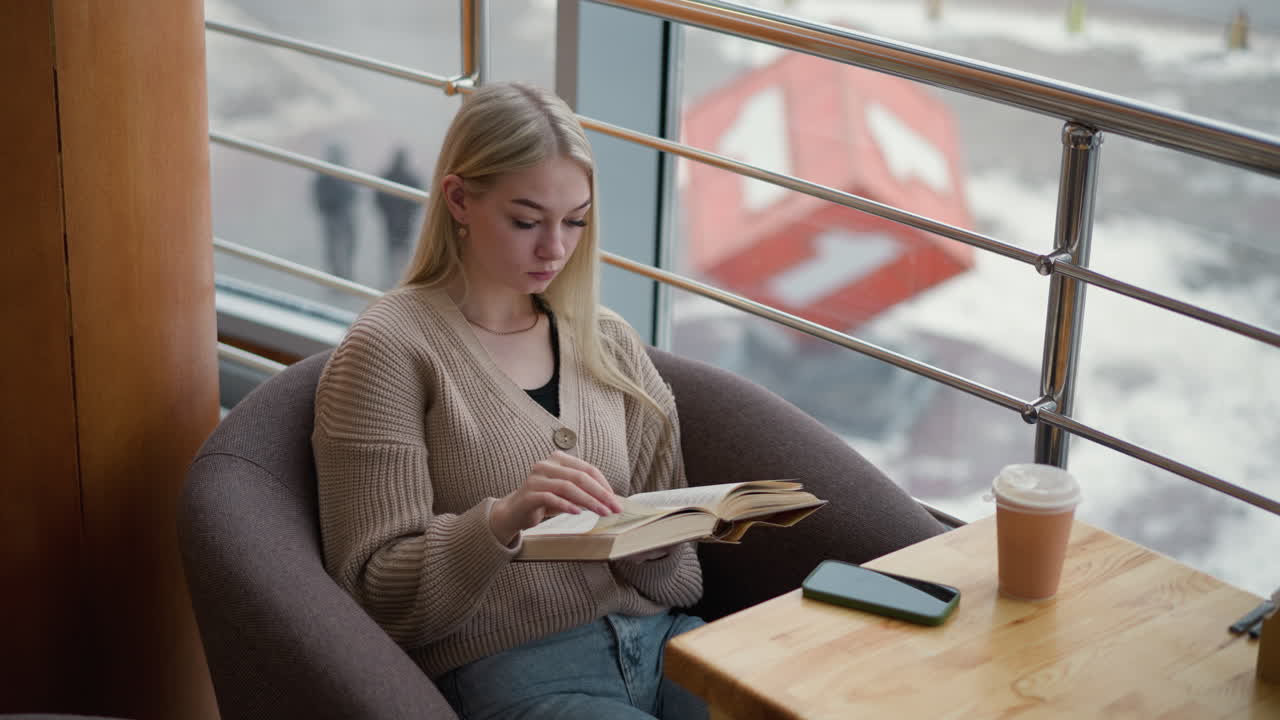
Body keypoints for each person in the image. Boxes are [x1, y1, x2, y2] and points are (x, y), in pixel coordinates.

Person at [312, 82, 707, 720]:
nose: (555, 248)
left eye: (575, 221)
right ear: (460, 199)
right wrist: (501, 521)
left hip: (665, 644)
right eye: (526, 221)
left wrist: (654, 546)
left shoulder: (607, 342)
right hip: (519, 672)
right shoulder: (388, 350)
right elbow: (373, 593)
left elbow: (685, 580)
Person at [374, 146, 424, 288]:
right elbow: (418, 201)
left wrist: (386, 213)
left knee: (394, 250)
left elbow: (378, 198)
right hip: (399, 221)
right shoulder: (410, 177)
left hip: (396, 221)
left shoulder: (388, 176)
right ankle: (400, 279)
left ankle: (395, 279)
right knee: (401, 250)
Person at [312, 144, 357, 279]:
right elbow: (319, 195)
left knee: (344, 244)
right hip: (334, 214)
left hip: (342, 213)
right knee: (334, 245)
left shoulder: (341, 173)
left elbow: (354, 192)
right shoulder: (326, 175)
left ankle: (344, 272)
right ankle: (337, 274)